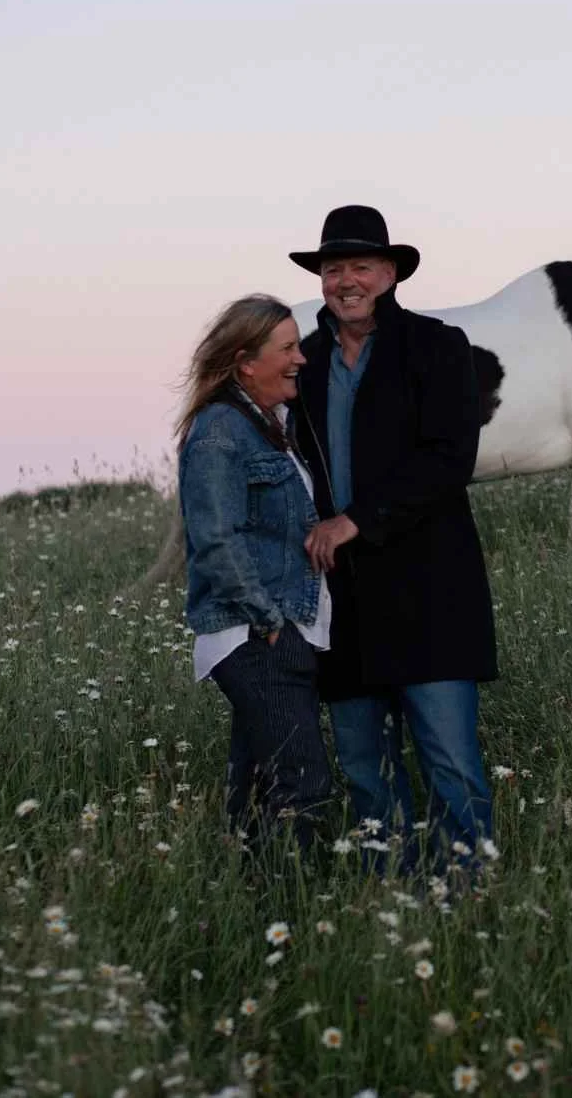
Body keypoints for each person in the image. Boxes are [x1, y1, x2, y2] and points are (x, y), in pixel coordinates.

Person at [289, 205, 497, 868]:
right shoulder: (303, 364)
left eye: (359, 266)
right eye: (332, 268)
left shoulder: (438, 347)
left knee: (452, 764)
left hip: (430, 591)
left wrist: (357, 519)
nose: (344, 280)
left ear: (389, 273)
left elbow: (448, 458)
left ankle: (467, 899)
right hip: (341, 601)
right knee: (363, 768)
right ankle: (393, 900)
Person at [177, 295, 333, 854]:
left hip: (274, 632)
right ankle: (289, 917)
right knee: (304, 786)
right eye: (287, 348)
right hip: (257, 636)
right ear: (246, 361)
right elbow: (215, 540)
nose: (300, 359)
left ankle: (251, 912)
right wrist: (270, 621)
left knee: (258, 789)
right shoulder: (221, 430)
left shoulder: (269, 425)